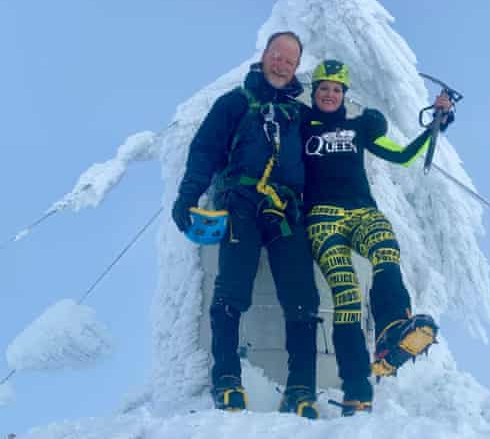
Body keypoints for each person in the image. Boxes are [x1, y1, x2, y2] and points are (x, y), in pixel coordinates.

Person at [172, 32, 321, 418]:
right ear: (265, 56)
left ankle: (301, 388)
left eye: (290, 60)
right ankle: (226, 379)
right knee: (231, 289)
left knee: (302, 296)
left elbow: (340, 145)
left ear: (295, 67)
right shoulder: (234, 104)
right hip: (240, 203)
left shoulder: (301, 115)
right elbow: (204, 150)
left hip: (286, 211)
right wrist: (188, 196)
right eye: (277, 55)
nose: (282, 64)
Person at [301, 59, 453, 416]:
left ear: (343, 95)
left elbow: (401, 156)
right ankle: (357, 390)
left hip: (363, 211)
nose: (329, 94)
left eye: (336, 89)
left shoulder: (359, 127)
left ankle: (393, 329)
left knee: (387, 251)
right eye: (323, 88)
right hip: (323, 217)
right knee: (347, 296)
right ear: (314, 91)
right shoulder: (301, 125)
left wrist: (437, 123)